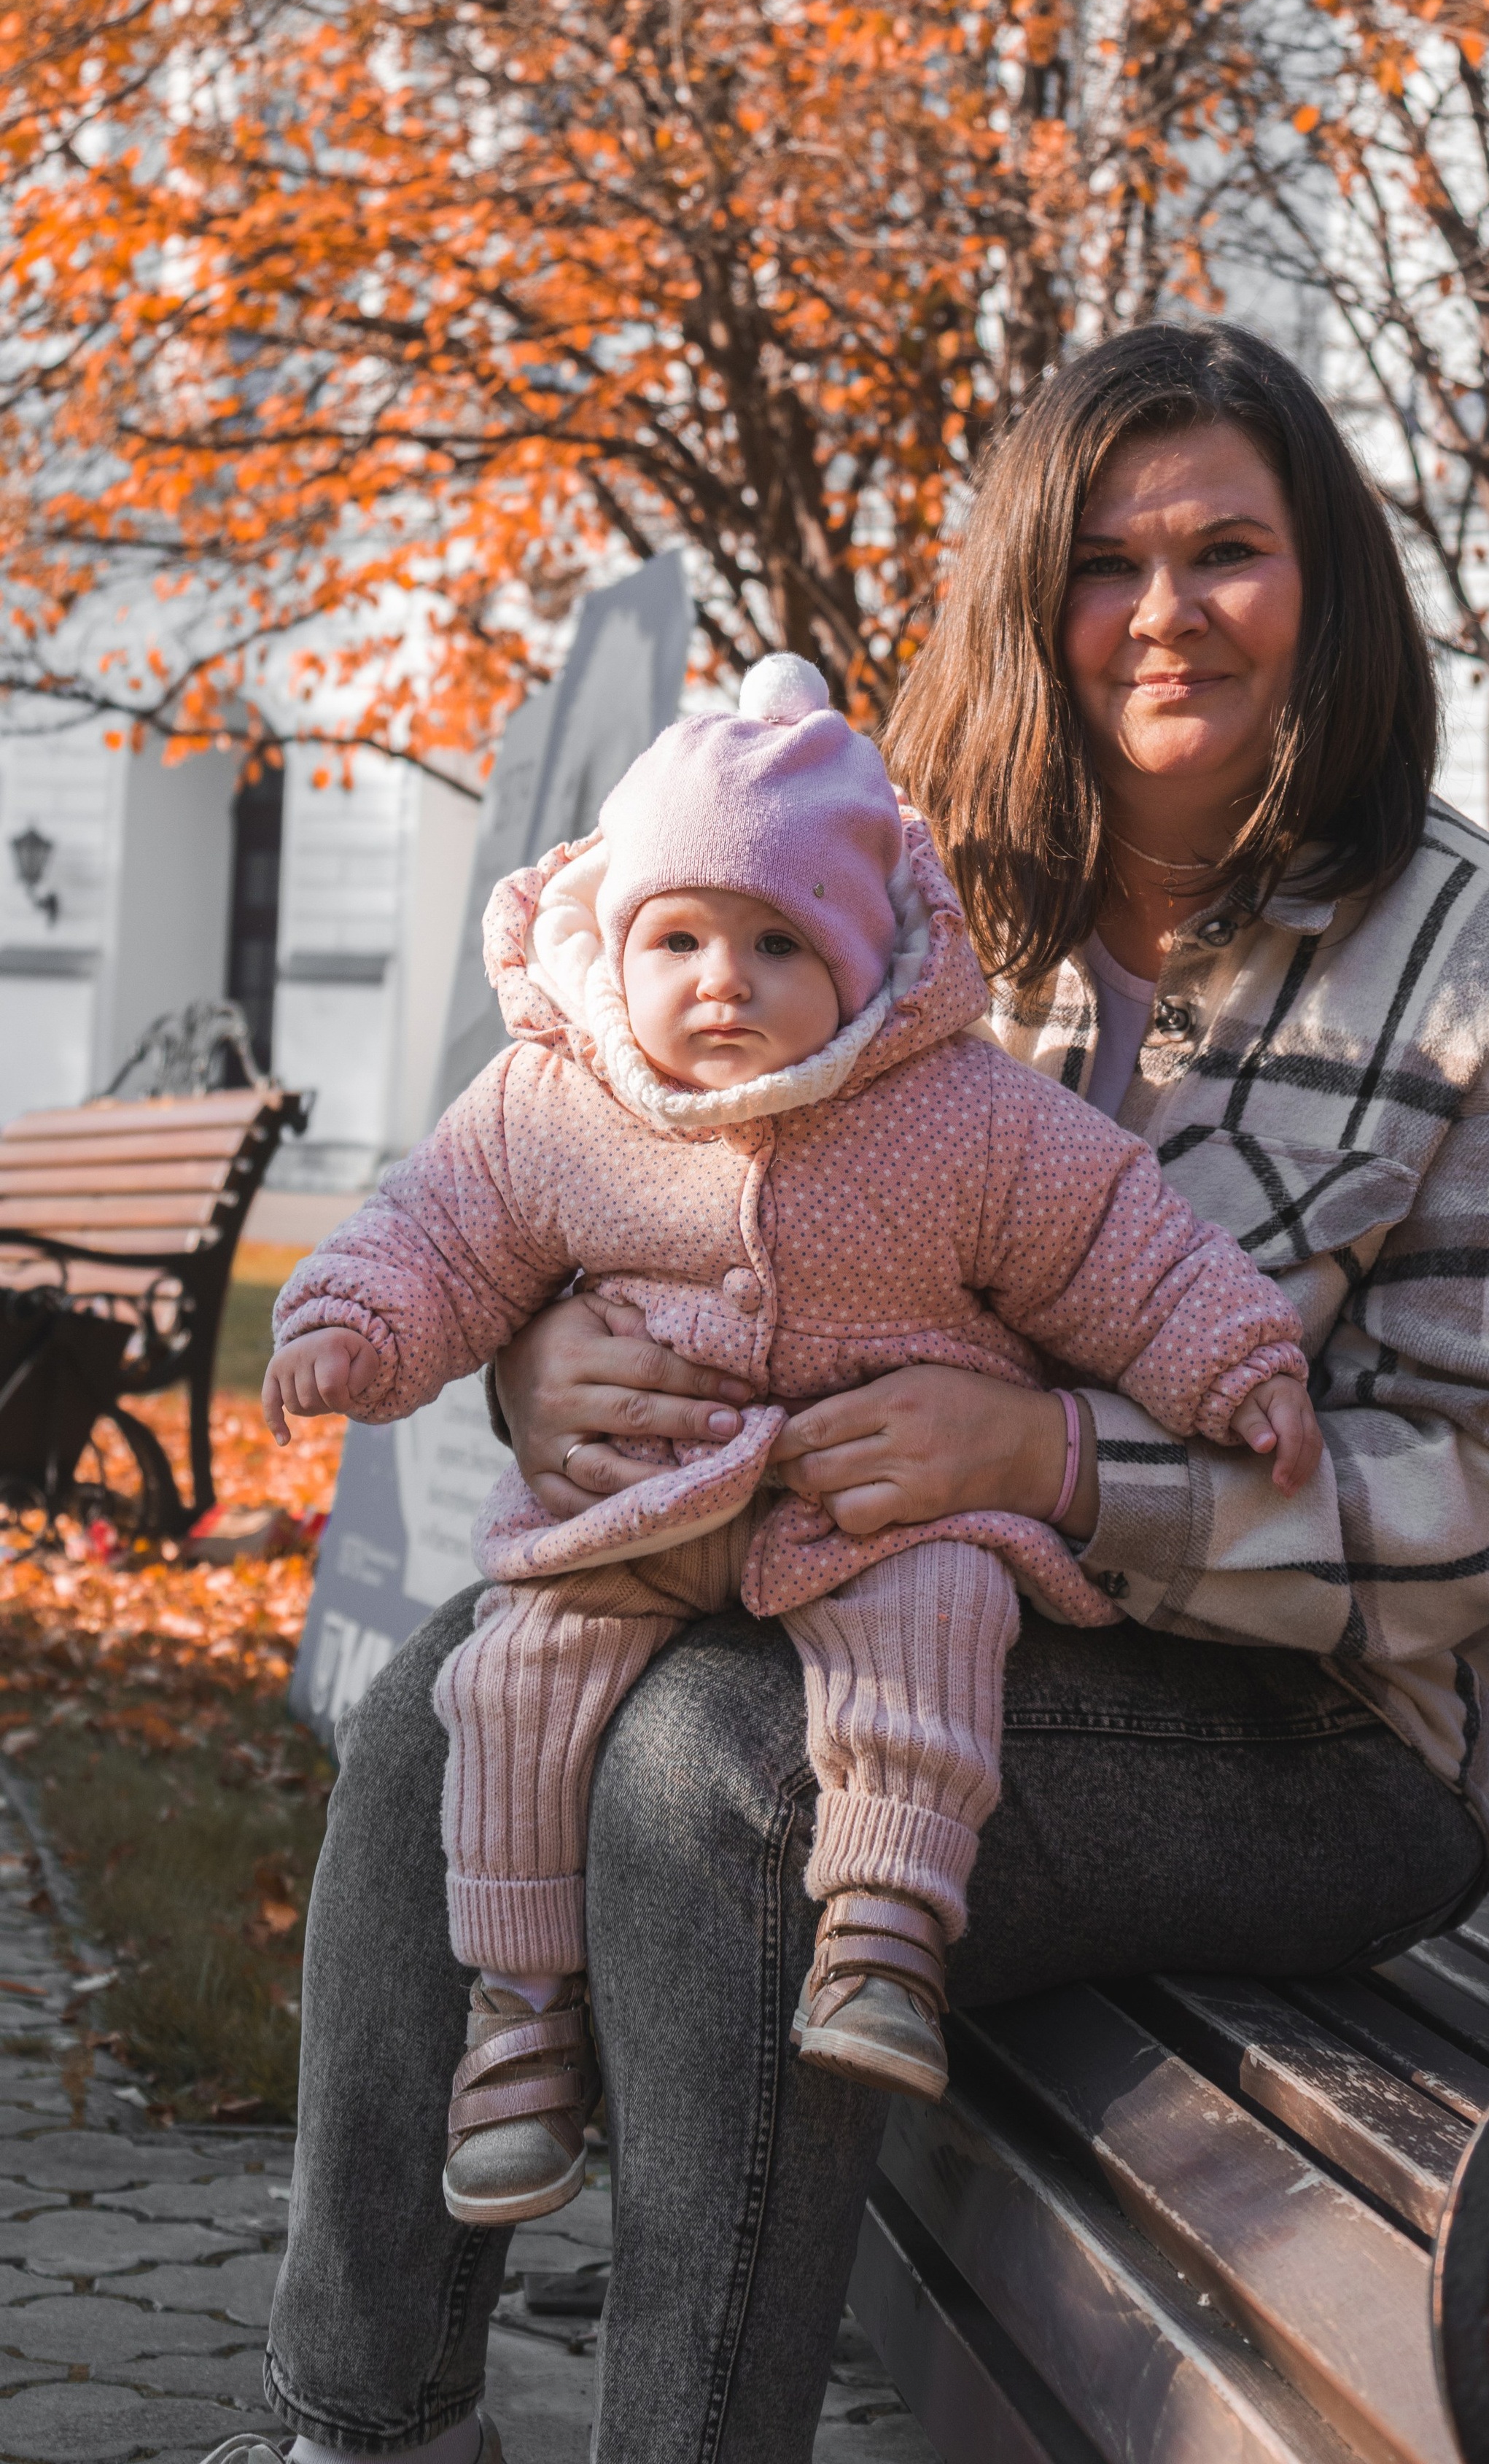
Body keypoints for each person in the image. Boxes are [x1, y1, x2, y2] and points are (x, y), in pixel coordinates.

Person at [210, 319, 1489, 2464]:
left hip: (1338, 1739)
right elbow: (600, 1158)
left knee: (719, 1779)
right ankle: (365, 2427)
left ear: (1323, 584)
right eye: (1103, 562)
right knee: (442, 1706)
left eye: (1226, 551)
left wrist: (1061, 1463)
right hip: (878, 1598)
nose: (1164, 612)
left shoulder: (1475, 967)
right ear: (1029, 604)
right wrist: (532, 1363)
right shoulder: (897, 901)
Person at [260, 650, 1315, 2213]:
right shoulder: (556, 1103)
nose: (721, 982)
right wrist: (352, 1323)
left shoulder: (958, 1112)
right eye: (677, 940)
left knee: (939, 1615)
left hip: (872, 1507)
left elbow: (1117, 1242)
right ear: (619, 948)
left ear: (861, 960)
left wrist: (1232, 1361)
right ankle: (522, 2010)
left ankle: (885, 1927)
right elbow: (438, 1230)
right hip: (643, 1510)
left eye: (777, 943)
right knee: (511, 1677)